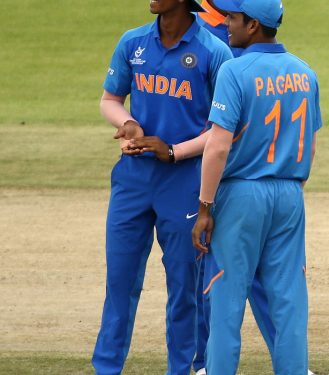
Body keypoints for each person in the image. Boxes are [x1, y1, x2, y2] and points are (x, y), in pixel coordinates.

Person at [92, 0, 232, 373]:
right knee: (119, 283)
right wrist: (130, 123)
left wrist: (173, 151)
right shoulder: (132, 43)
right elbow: (109, 100)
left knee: (185, 289)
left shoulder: (214, 52)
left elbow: (222, 131)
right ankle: (106, 368)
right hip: (133, 179)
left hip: (186, 181)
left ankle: (183, 369)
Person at [191, 0, 322, 373]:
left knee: (227, 301)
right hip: (290, 194)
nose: (227, 24)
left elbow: (217, 146)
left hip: (241, 196)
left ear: (253, 25)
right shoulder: (305, 72)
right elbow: (309, 143)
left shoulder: (234, 70)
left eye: (233, 18)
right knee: (289, 302)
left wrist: (205, 207)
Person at [191, 1, 277, 373]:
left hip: (234, 177)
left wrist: (206, 205)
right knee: (276, 284)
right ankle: (202, 361)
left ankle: (213, 366)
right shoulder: (202, 32)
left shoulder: (231, 51)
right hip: (263, 180)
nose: (229, 24)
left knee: (229, 279)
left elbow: (220, 139)